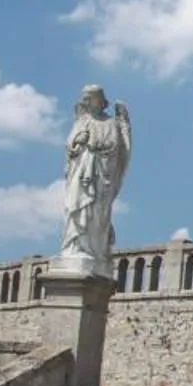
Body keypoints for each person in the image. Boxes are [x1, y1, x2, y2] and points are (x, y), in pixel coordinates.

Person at [58, 85, 131, 275]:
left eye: (91, 98)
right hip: (81, 171)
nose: (87, 102)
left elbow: (116, 147)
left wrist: (92, 143)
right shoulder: (82, 120)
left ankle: (93, 251)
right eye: (86, 99)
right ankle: (74, 246)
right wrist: (77, 142)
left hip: (100, 176)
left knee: (96, 215)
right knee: (73, 206)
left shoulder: (110, 123)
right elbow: (69, 146)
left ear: (100, 100)